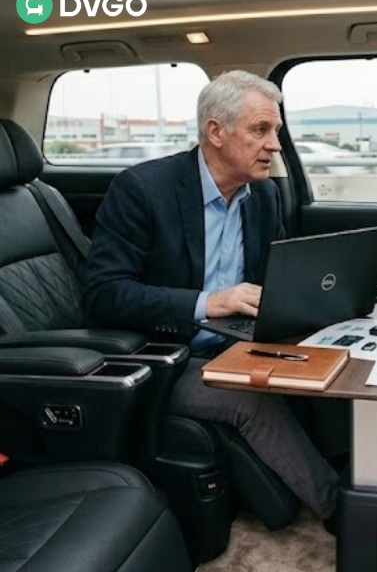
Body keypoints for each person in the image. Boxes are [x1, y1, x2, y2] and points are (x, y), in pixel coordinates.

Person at [83, 70, 339, 522]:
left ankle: (362, 477)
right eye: (261, 130)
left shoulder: (263, 197)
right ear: (216, 132)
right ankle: (342, 509)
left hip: (237, 340)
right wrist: (208, 303)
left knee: (332, 356)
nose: (276, 145)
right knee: (250, 395)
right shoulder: (143, 190)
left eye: (276, 131)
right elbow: (104, 295)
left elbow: (270, 280)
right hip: (161, 355)